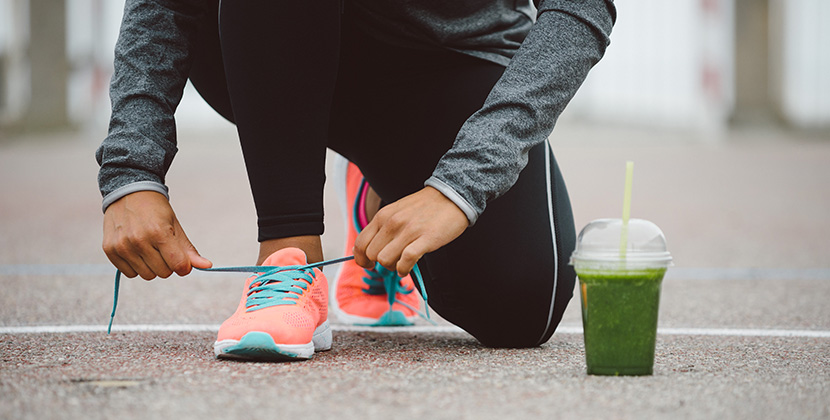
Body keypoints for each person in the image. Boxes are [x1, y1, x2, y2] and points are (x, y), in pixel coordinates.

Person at [96, 0, 615, 361]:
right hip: (270, 40)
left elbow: (580, 9)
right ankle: (289, 264)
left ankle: (383, 189)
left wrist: (457, 187)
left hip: (452, 57)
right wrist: (132, 170)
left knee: (520, 309)